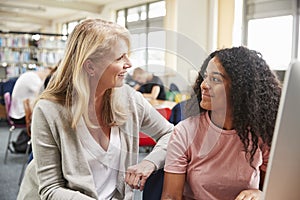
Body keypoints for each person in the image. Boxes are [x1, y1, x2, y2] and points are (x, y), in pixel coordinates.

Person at [17, 19, 173, 200]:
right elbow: (51, 189)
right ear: (90, 66)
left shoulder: (129, 99)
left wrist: (150, 162)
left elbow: (171, 134)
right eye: (120, 57)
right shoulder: (49, 111)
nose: (129, 63)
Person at [161, 46, 282, 200]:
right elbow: (170, 197)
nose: (203, 85)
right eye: (205, 77)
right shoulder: (185, 132)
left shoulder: (260, 134)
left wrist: (260, 194)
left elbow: (273, 190)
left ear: (240, 89)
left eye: (215, 79)